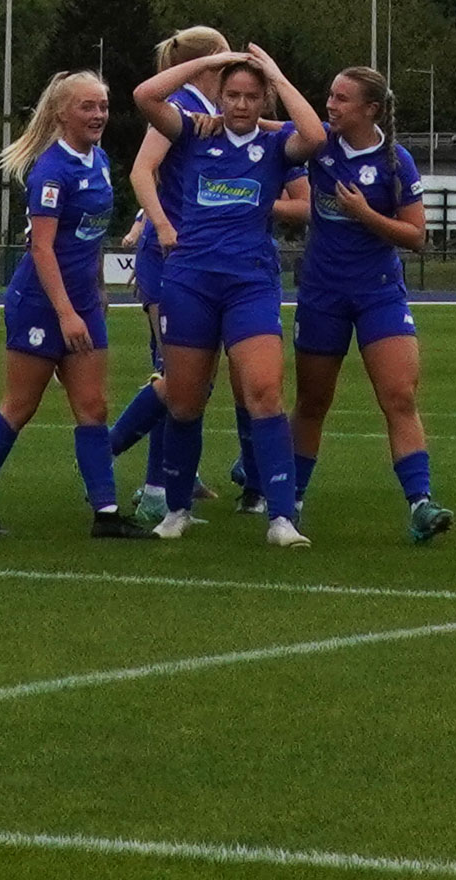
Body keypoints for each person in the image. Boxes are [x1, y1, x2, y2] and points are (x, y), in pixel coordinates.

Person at [0, 71, 154, 538]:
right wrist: (65, 313)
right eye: (87, 106)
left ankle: (105, 514)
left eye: (102, 105)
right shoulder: (52, 170)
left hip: (80, 302)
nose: (99, 114)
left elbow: (89, 239)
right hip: (42, 304)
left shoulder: (99, 160)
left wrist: (96, 290)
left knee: (93, 407)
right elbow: (42, 248)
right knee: (20, 406)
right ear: (62, 113)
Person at [132, 44, 321, 546]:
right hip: (191, 280)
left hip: (250, 282)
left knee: (264, 391)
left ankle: (281, 517)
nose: (240, 104)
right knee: (185, 401)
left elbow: (317, 136)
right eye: (232, 94)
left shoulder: (276, 144)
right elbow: (144, 94)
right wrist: (207, 64)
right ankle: (176, 510)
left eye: (250, 96)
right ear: (220, 96)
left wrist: (277, 74)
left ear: (263, 100)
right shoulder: (194, 130)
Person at [290, 67, 455, 544]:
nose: (331, 105)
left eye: (342, 99)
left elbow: (417, 236)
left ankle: (421, 503)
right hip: (322, 293)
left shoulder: (395, 161)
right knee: (313, 401)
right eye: (330, 95)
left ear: (371, 110)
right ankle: (290, 502)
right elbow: (267, 129)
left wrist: (365, 214)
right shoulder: (318, 145)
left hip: (379, 291)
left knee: (399, 396)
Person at [107, 27, 235, 523]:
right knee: (179, 378)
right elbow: (143, 171)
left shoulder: (204, 109)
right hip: (172, 259)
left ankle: (167, 478)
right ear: (210, 63)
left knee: (188, 380)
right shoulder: (177, 105)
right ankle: (128, 468)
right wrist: (158, 224)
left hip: (190, 258)